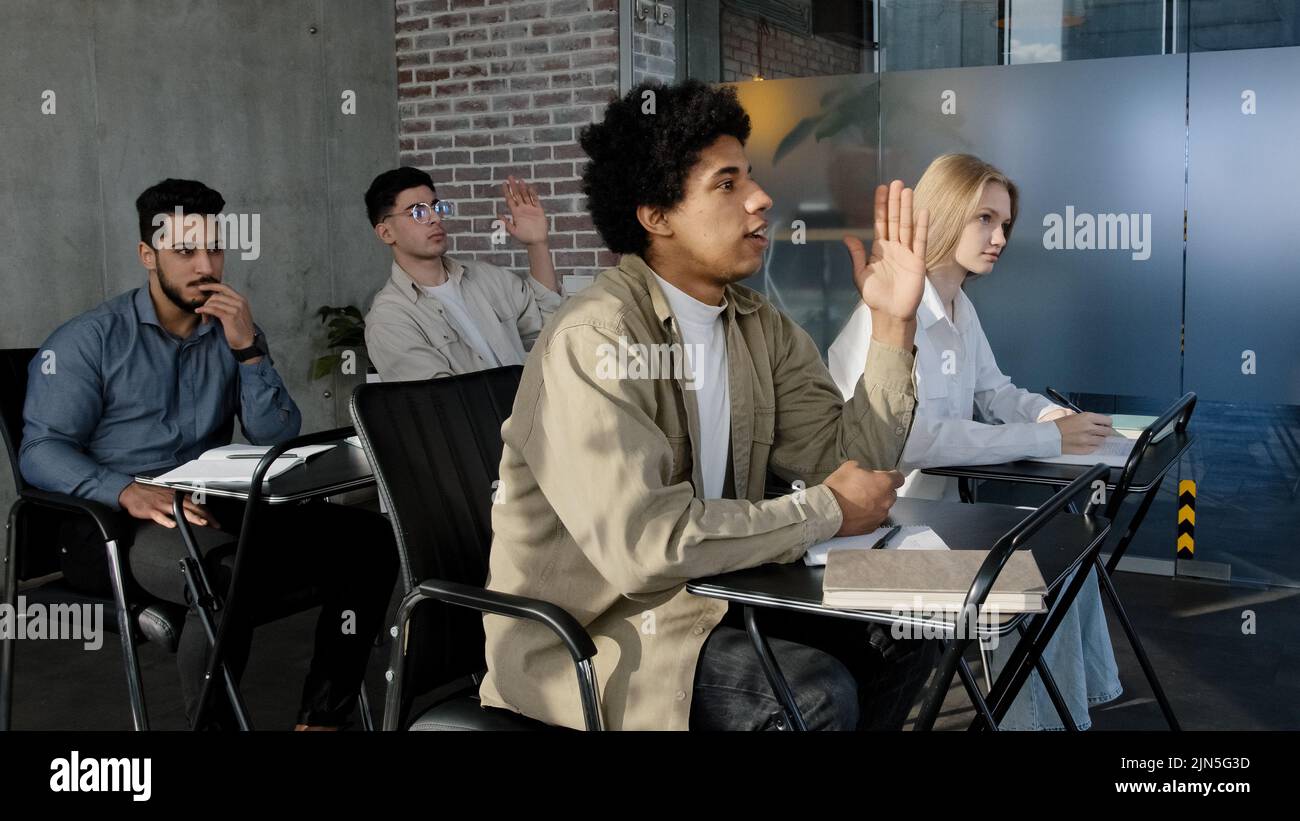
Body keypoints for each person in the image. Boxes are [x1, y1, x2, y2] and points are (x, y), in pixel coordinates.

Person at [478, 79, 938, 731]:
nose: (760, 198)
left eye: (750, 176)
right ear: (656, 216)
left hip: (718, 598)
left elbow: (851, 471)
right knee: (811, 695)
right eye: (727, 184)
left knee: (919, 622)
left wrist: (892, 324)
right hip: (596, 639)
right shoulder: (596, 338)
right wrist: (827, 508)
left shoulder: (758, 324)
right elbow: (646, 543)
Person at [20, 178, 397, 730]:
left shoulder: (233, 330)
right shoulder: (88, 341)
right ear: (148, 255)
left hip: (212, 505)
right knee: (219, 573)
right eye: (184, 251)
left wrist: (247, 350)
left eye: (214, 248)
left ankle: (322, 719)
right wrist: (127, 490)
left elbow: (274, 434)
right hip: (112, 523)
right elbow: (40, 451)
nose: (205, 265)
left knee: (368, 540)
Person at [827, 153, 1122, 730]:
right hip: (876, 545)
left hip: (938, 525)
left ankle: (1080, 705)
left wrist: (1057, 417)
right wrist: (1045, 439)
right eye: (984, 219)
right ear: (943, 215)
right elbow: (919, 443)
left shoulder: (961, 306)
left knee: (1070, 552)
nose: (999, 237)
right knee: (1036, 578)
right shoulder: (885, 319)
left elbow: (997, 392)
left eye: (1005, 224)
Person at [363, 166, 564, 381]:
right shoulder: (389, 319)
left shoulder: (485, 277)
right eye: (417, 212)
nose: (435, 218)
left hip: (531, 413)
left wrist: (537, 244)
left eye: (436, 207)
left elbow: (548, 321)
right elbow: (440, 402)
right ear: (386, 233)